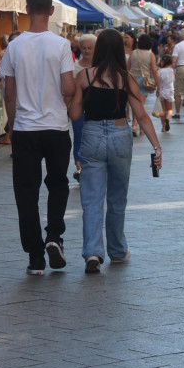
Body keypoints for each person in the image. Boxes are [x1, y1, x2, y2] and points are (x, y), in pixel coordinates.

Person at [68, 29, 162, 273]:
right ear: (120, 52)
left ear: (98, 51)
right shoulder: (126, 78)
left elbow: (75, 114)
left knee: (91, 199)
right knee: (117, 197)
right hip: (120, 135)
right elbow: (140, 115)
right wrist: (156, 145)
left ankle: (92, 252)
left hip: (91, 136)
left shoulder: (84, 77)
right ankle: (118, 251)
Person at [1, 0, 77, 275]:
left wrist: (11, 124)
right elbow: (68, 87)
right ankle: (54, 237)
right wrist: (67, 99)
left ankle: (35, 256)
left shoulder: (14, 46)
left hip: (25, 129)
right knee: (57, 184)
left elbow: (9, 93)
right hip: (56, 127)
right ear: (52, 11)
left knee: (26, 192)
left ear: (26, 8)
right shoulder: (60, 45)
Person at [72, 33, 97, 180]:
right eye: (84, 48)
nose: (86, 51)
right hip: (80, 108)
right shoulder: (74, 67)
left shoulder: (101, 67)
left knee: (94, 138)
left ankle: (93, 168)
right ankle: (80, 168)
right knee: (79, 137)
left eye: (90, 48)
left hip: (97, 109)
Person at [128, 34, 160, 137]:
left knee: (134, 104)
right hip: (144, 81)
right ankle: (137, 125)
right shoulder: (150, 54)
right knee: (140, 105)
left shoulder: (133, 53)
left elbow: (128, 68)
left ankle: (135, 124)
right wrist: (158, 85)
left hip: (132, 79)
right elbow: (154, 70)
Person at [157, 54, 175, 132]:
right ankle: (167, 119)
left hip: (161, 91)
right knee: (170, 110)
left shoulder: (159, 71)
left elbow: (157, 81)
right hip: (170, 91)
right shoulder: (172, 70)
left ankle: (163, 127)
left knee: (163, 110)